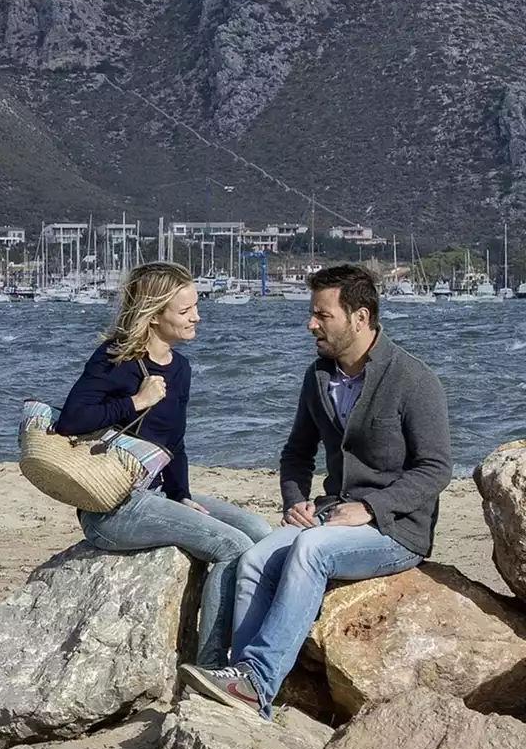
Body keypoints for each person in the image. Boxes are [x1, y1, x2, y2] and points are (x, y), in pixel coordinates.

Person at [180, 264, 450, 718]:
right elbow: (296, 453)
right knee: (254, 559)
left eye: (322, 315)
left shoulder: (413, 380)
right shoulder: (319, 377)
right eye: (312, 314)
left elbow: (436, 468)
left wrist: (370, 506)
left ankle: (259, 680)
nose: (311, 324)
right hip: (329, 516)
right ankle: (243, 692)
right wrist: (295, 501)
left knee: (311, 550)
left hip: (396, 530)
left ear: (360, 318)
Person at [56, 262, 270, 669]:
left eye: (196, 307)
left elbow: (174, 443)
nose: (197, 317)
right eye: (186, 310)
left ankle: (249, 649)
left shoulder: (181, 367)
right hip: (112, 505)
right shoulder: (114, 358)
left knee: (259, 532)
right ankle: (210, 667)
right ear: (154, 314)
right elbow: (70, 420)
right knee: (231, 546)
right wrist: (136, 401)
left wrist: (182, 495)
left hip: (157, 495)